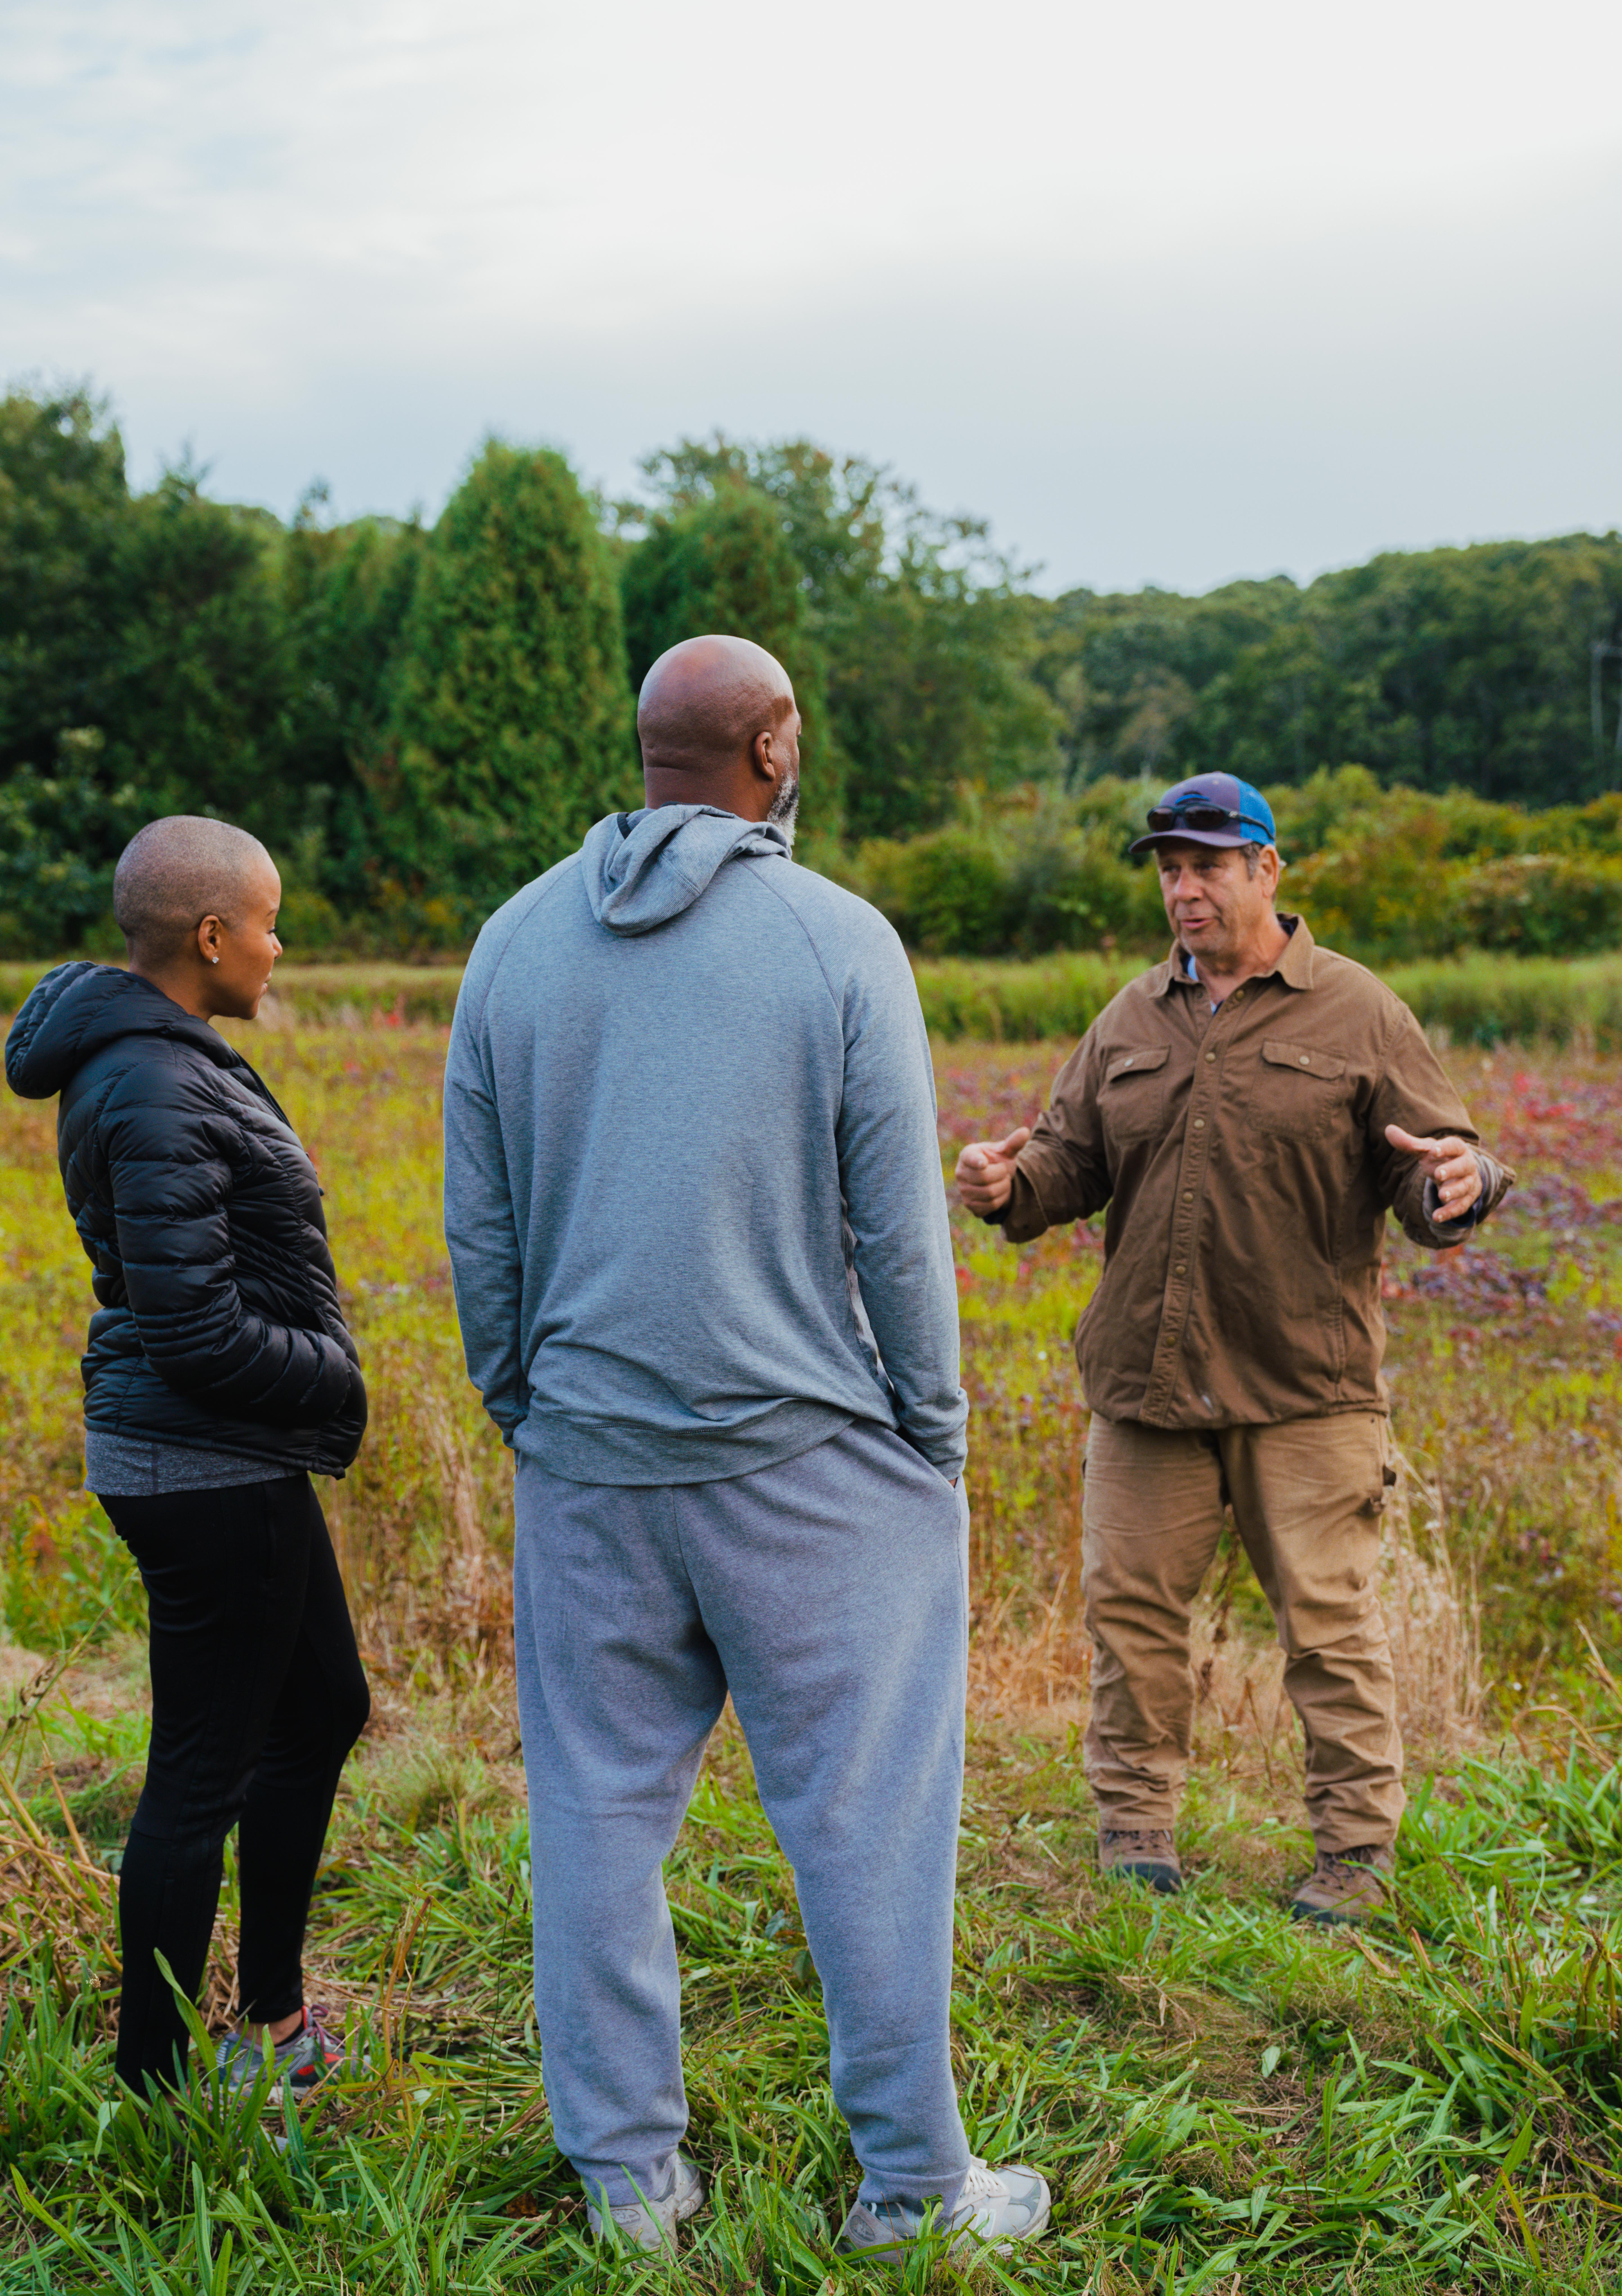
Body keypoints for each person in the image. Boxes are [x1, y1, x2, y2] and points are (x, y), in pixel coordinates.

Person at [443, 635, 1049, 2259]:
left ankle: (632, 2191)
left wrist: (526, 1407)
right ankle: (916, 2191)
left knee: (592, 1810)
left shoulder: (510, 945)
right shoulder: (838, 941)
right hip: (810, 1469)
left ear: (648, 754)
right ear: (773, 748)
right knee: (870, 1817)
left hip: (586, 1456)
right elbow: (901, 1233)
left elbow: (480, 1230)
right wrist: (934, 1433)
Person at [955, 772, 1514, 1925]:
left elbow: (1434, 1163)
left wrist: (1462, 1182)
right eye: (1170, 866)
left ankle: (1355, 1855)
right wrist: (1005, 1187)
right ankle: (1135, 1832)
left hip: (1304, 1388)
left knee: (1331, 1626)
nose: (1185, 886)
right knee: (1133, 1617)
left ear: (1270, 869)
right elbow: (1071, 1160)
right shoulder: (1131, 1017)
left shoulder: (1360, 1012)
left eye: (1209, 863)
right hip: (1147, 1384)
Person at [5, 815, 370, 2100]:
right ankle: (162, 2088)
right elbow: (195, 1331)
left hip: (219, 1453)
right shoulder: (155, 1082)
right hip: (206, 1463)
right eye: (269, 923)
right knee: (200, 1772)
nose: (281, 947)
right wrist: (339, 1378)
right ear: (211, 935)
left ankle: (271, 2020)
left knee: (322, 1710)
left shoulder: (160, 1057)